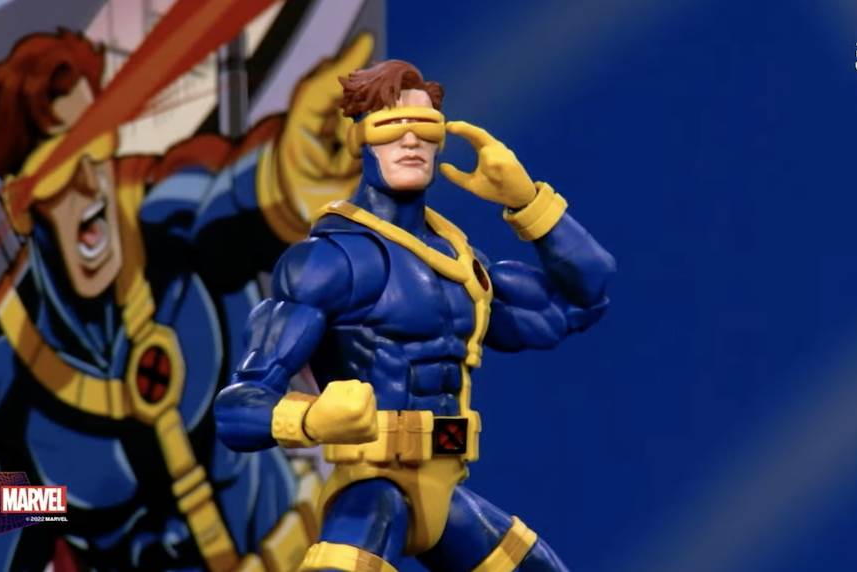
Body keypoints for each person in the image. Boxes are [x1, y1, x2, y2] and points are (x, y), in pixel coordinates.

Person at [0, 29, 372, 571]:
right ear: (18, 203)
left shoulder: (169, 231)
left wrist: (288, 175)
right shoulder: (3, 377)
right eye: (59, 165)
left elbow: (229, 198)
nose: (89, 181)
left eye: (94, 143)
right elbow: (23, 514)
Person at [215, 60, 616, 571]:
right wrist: (311, 418)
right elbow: (237, 409)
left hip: (445, 489)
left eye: (425, 127)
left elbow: (582, 298)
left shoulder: (465, 267)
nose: (410, 141)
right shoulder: (330, 262)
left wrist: (528, 203)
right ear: (361, 137)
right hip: (372, 489)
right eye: (391, 126)